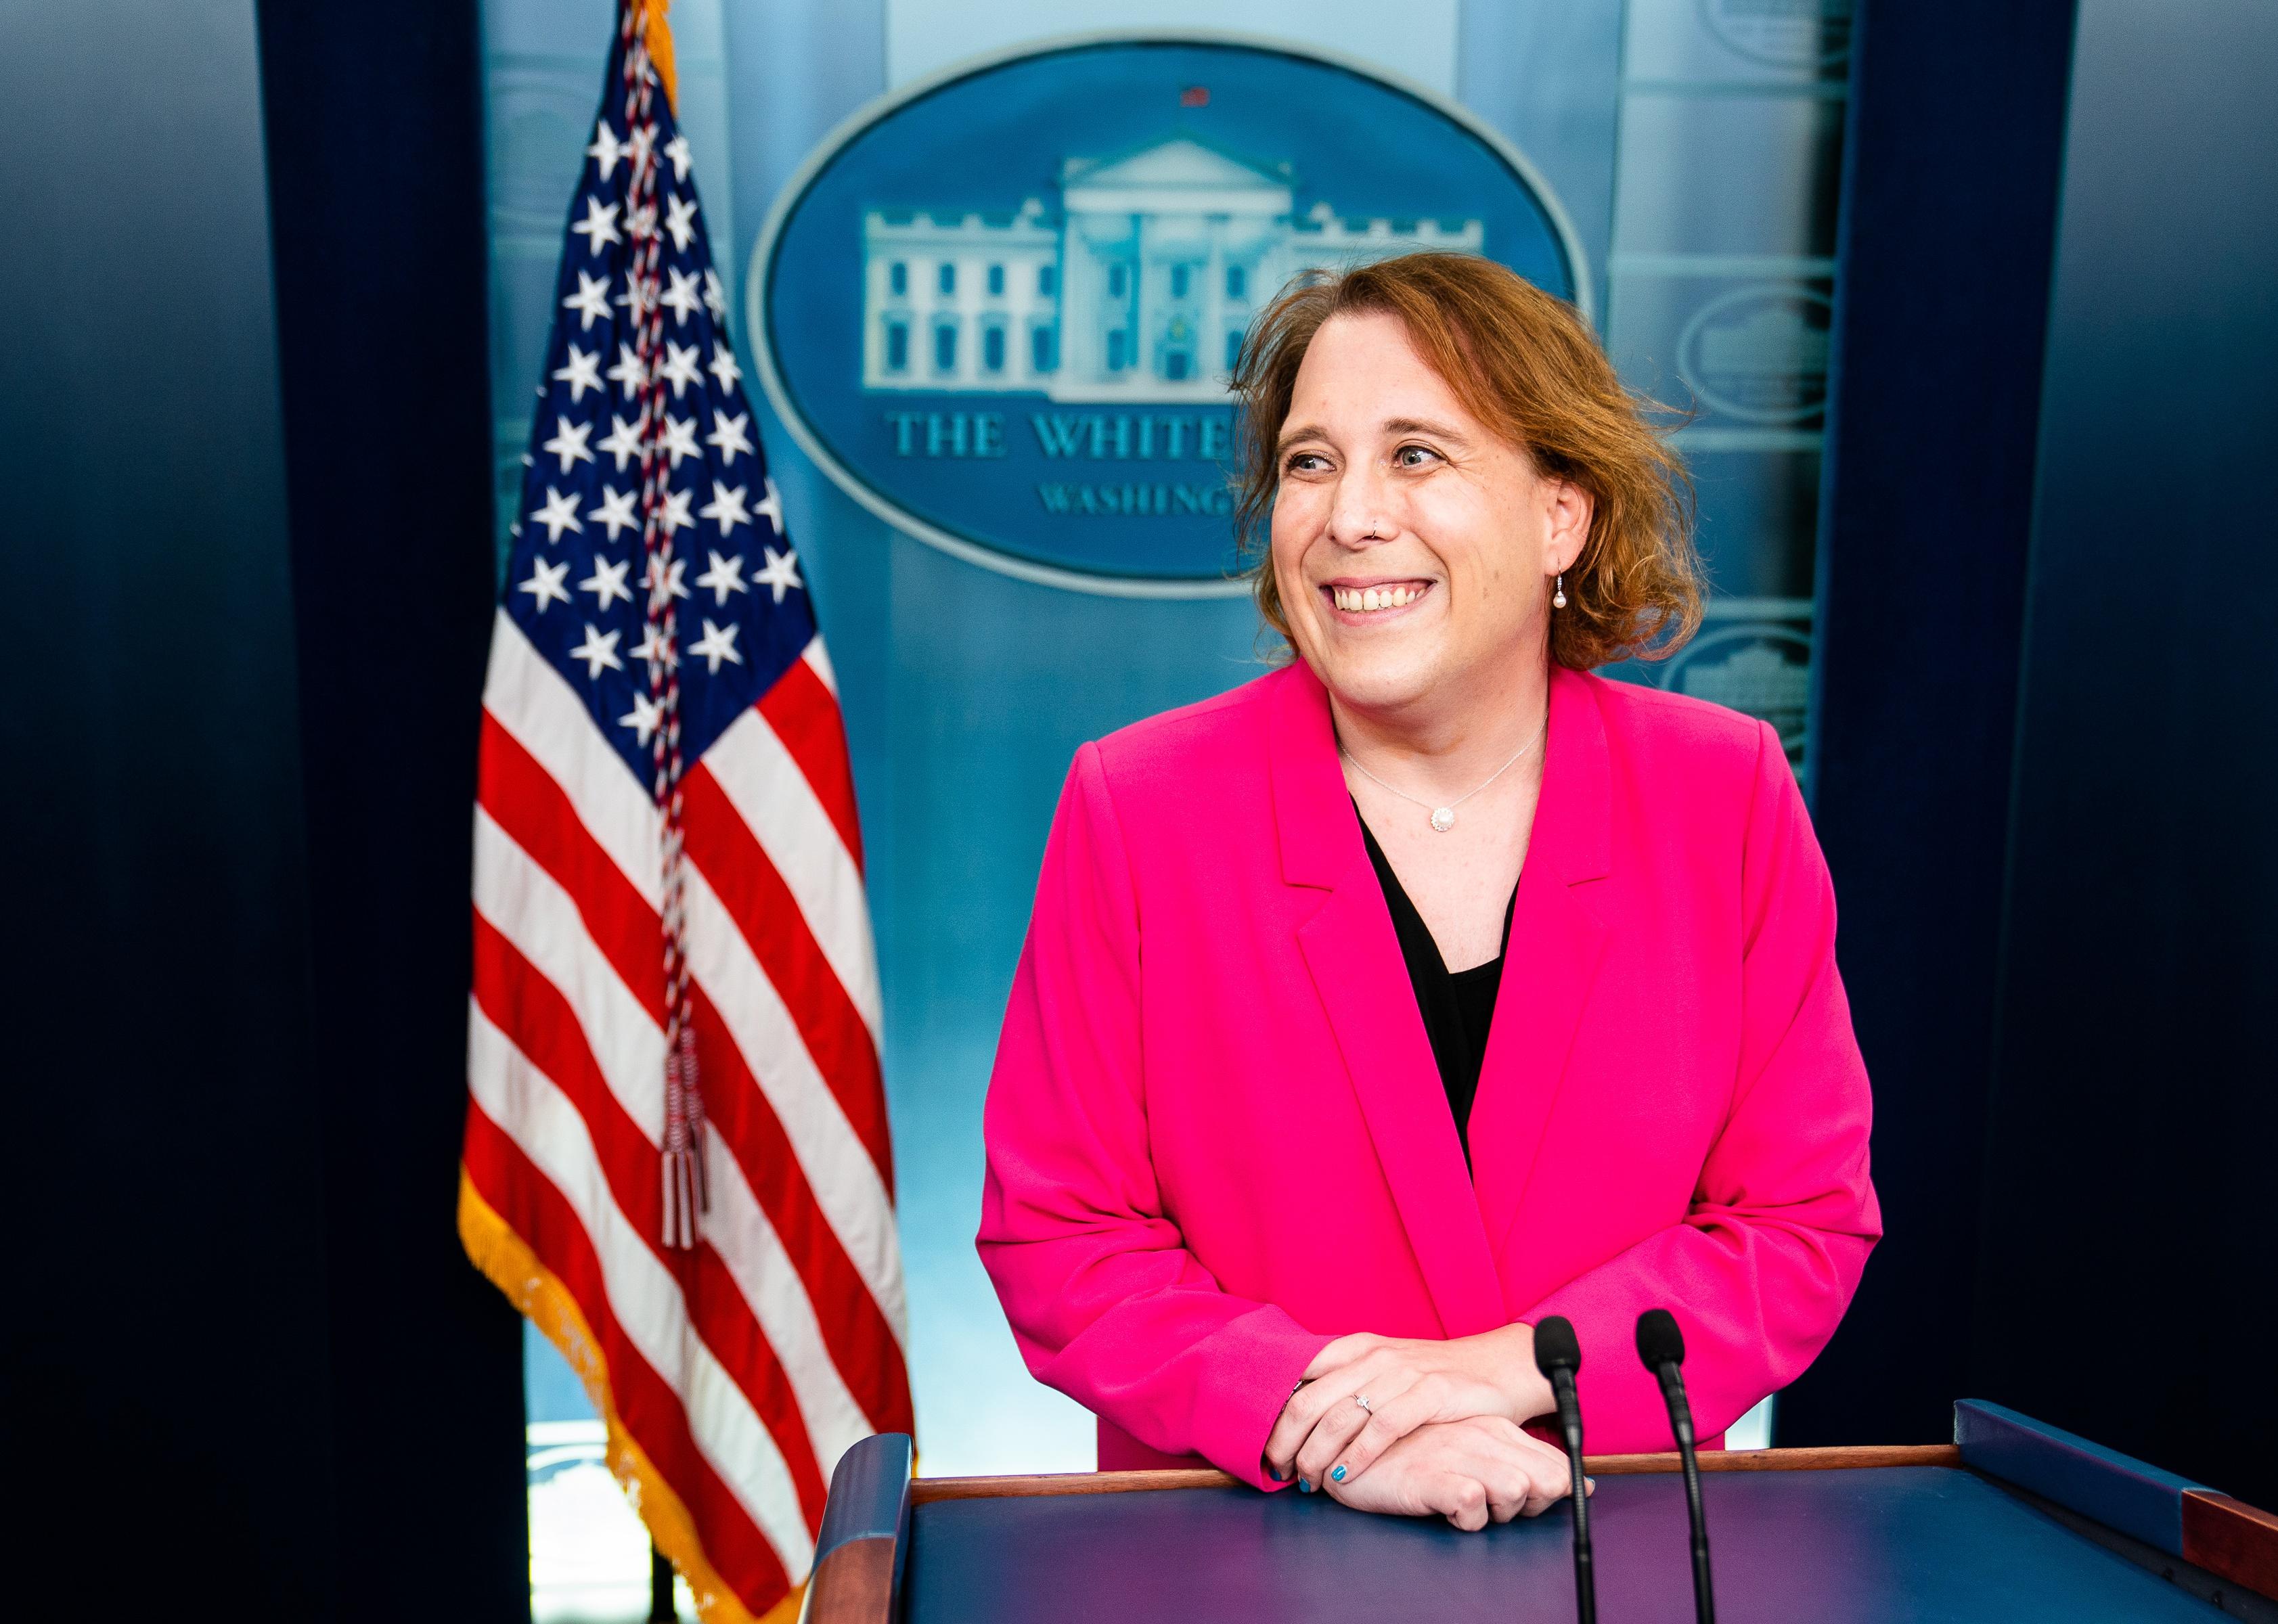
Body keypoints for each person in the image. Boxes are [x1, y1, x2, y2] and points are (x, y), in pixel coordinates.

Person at [975, 252, 1879, 1531]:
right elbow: (1061, 1241)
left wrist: (1498, 1379)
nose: (1348, 514)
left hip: (1598, 1535)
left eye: (1416, 455)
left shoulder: (1719, 794)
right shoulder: (1141, 805)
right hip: (1241, 1548)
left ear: (1559, 516)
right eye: (1308, 461)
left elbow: (1794, 1223)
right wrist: (1328, 1434)